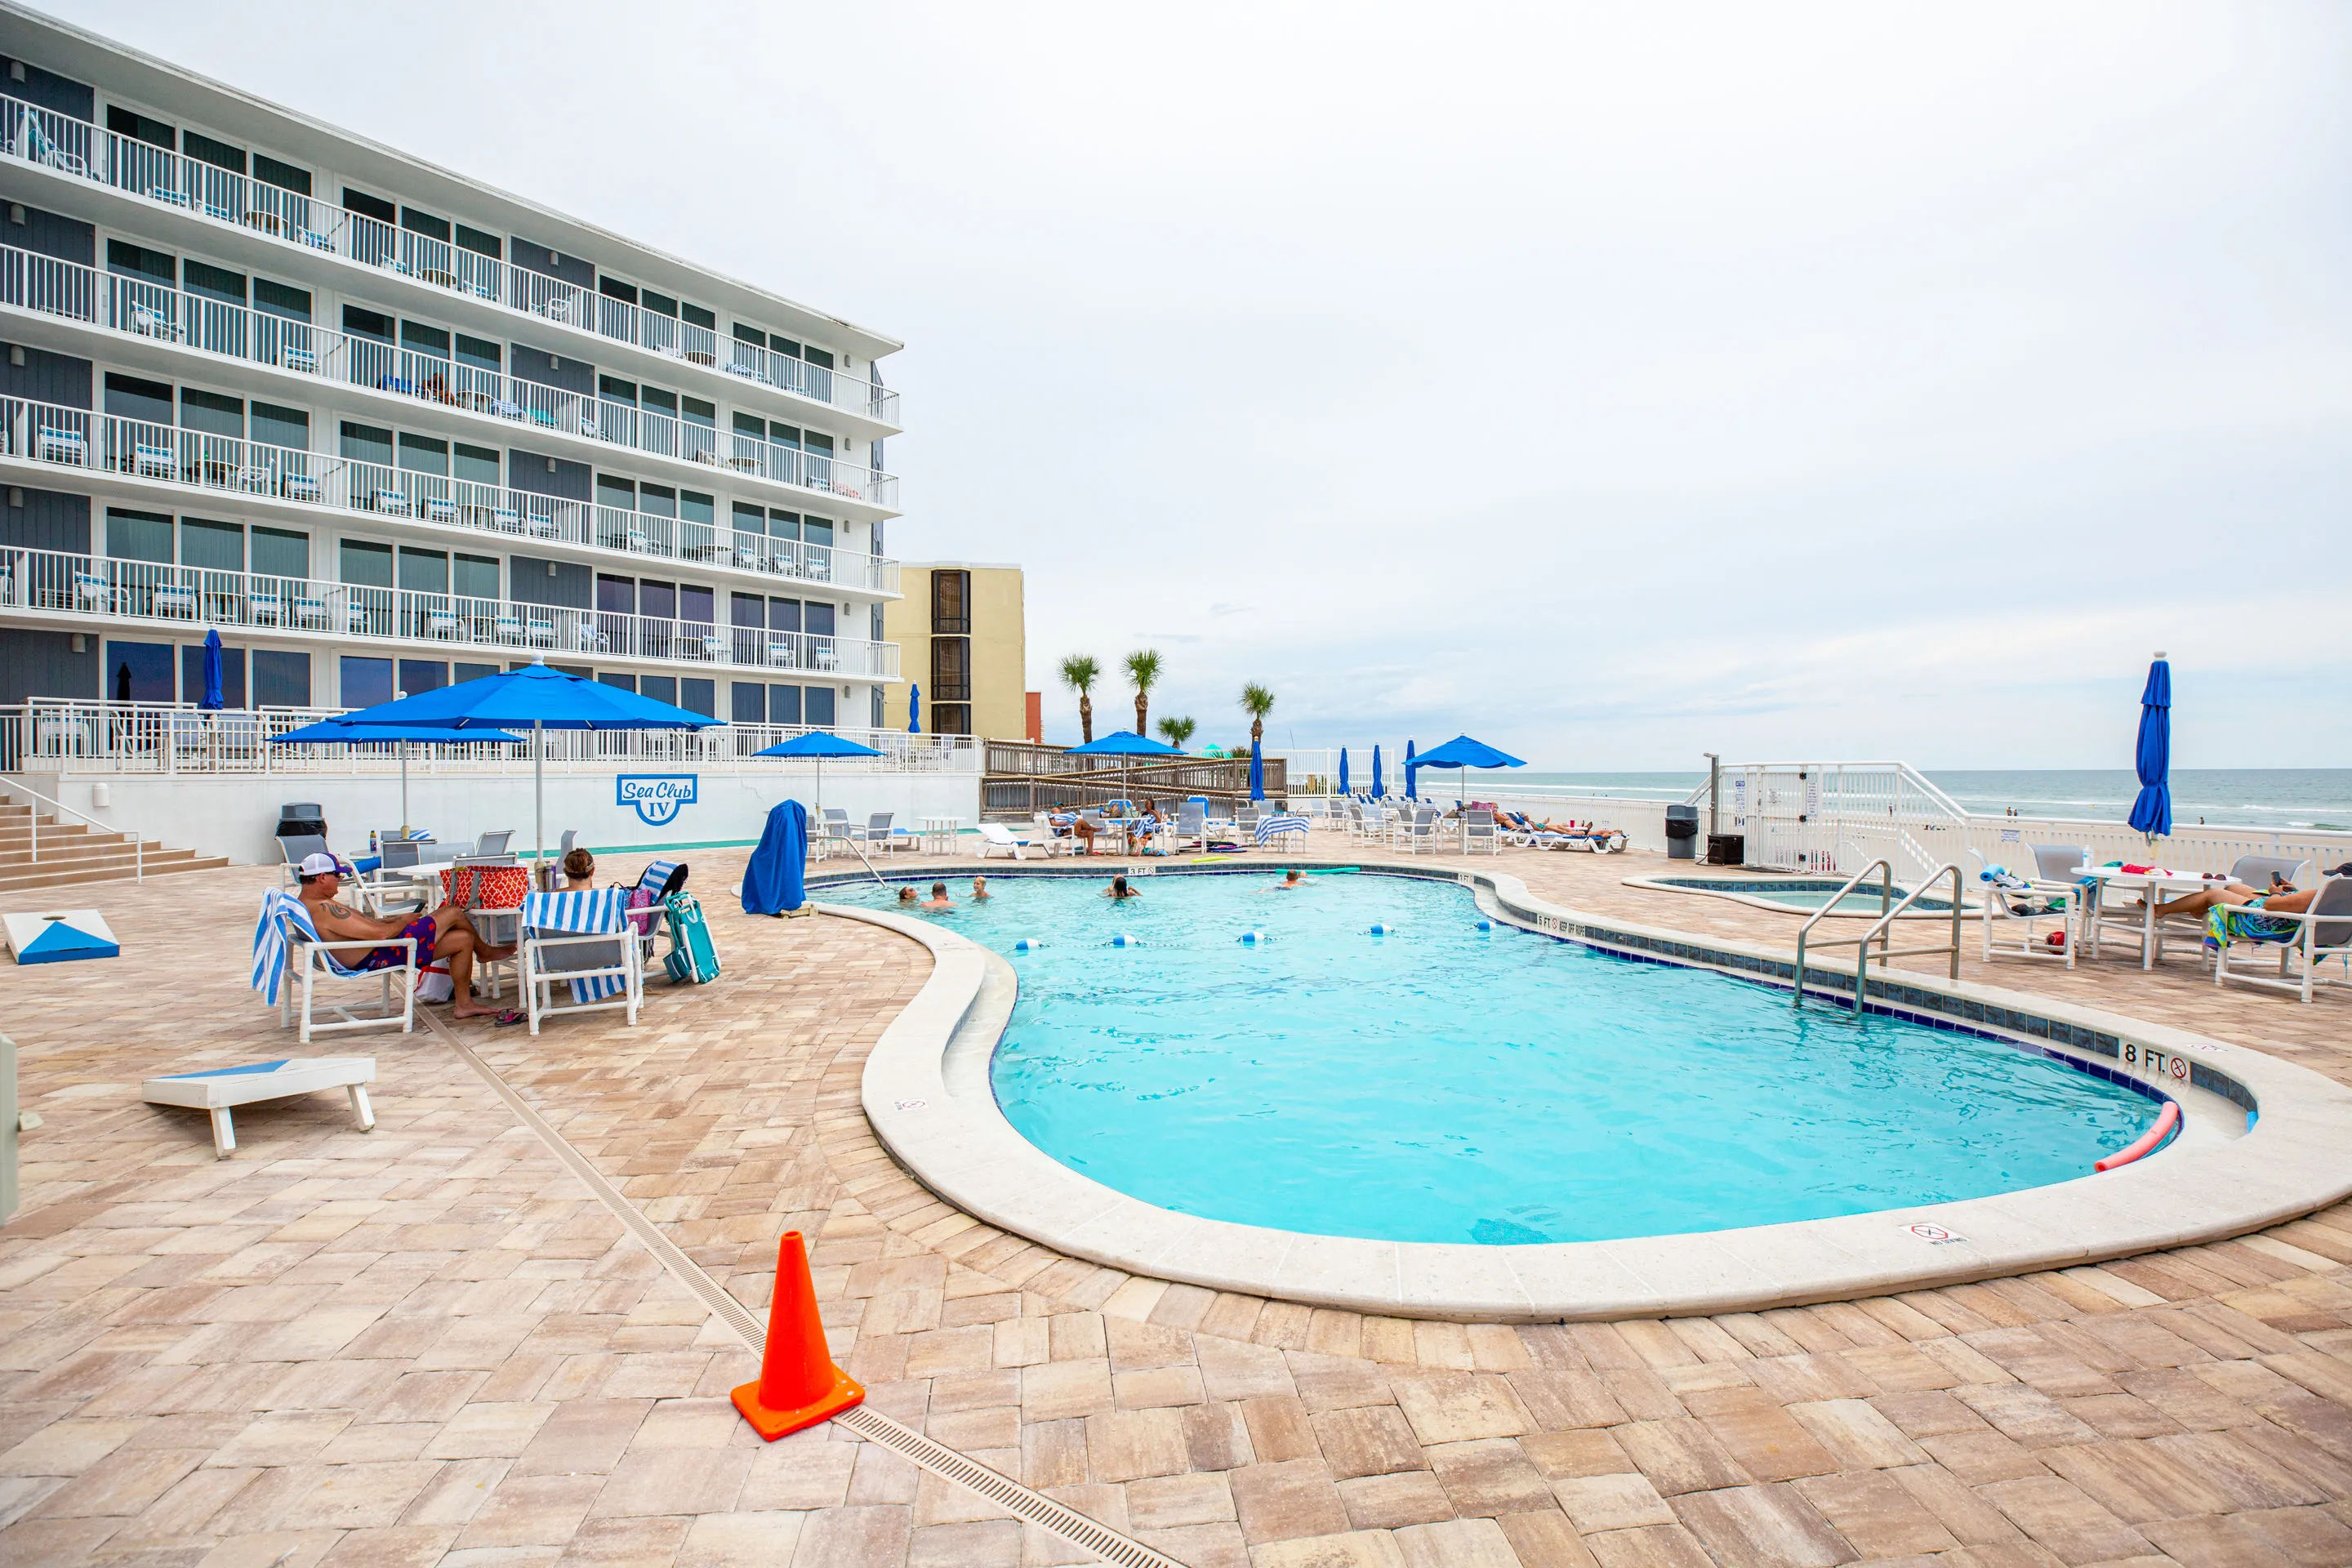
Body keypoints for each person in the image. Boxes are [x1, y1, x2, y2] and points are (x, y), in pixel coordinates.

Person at [292, 853, 512, 1021]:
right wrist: (404, 922)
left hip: (378, 949)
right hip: (382, 951)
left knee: (463, 938)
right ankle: (484, 951)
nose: (340, 879)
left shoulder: (310, 904)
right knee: (453, 912)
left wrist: (394, 920)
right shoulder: (324, 909)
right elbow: (381, 935)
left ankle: (464, 1005)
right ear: (322, 877)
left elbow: (367, 926)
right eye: (337, 875)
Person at [2146, 872, 2322, 922]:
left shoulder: (2319, 893)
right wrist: (2294, 891)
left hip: (2266, 920)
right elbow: (2304, 904)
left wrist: (2275, 892)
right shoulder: (2332, 894)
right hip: (2282, 913)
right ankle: (2199, 909)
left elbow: (2271, 905)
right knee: (2233, 887)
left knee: (2214, 893)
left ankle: (2161, 909)